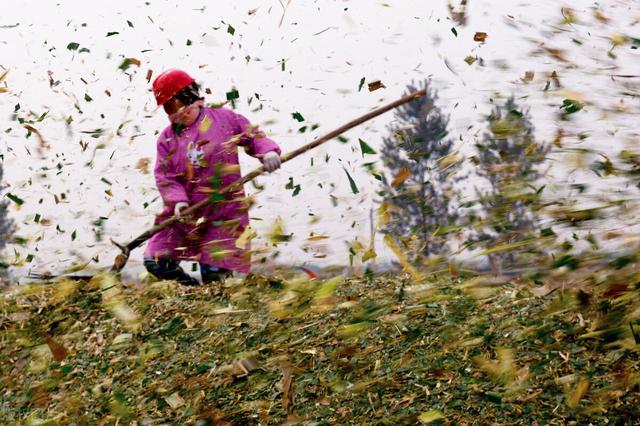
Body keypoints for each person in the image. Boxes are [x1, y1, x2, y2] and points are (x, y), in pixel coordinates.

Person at [143, 69, 282, 285]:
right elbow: (165, 176)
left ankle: (210, 295)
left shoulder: (224, 119)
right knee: (156, 260)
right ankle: (189, 290)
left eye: (181, 103)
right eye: (170, 108)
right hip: (185, 215)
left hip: (223, 213)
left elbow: (252, 136)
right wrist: (177, 201)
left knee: (214, 274)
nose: (178, 112)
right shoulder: (167, 139)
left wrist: (268, 152)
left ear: (195, 97)